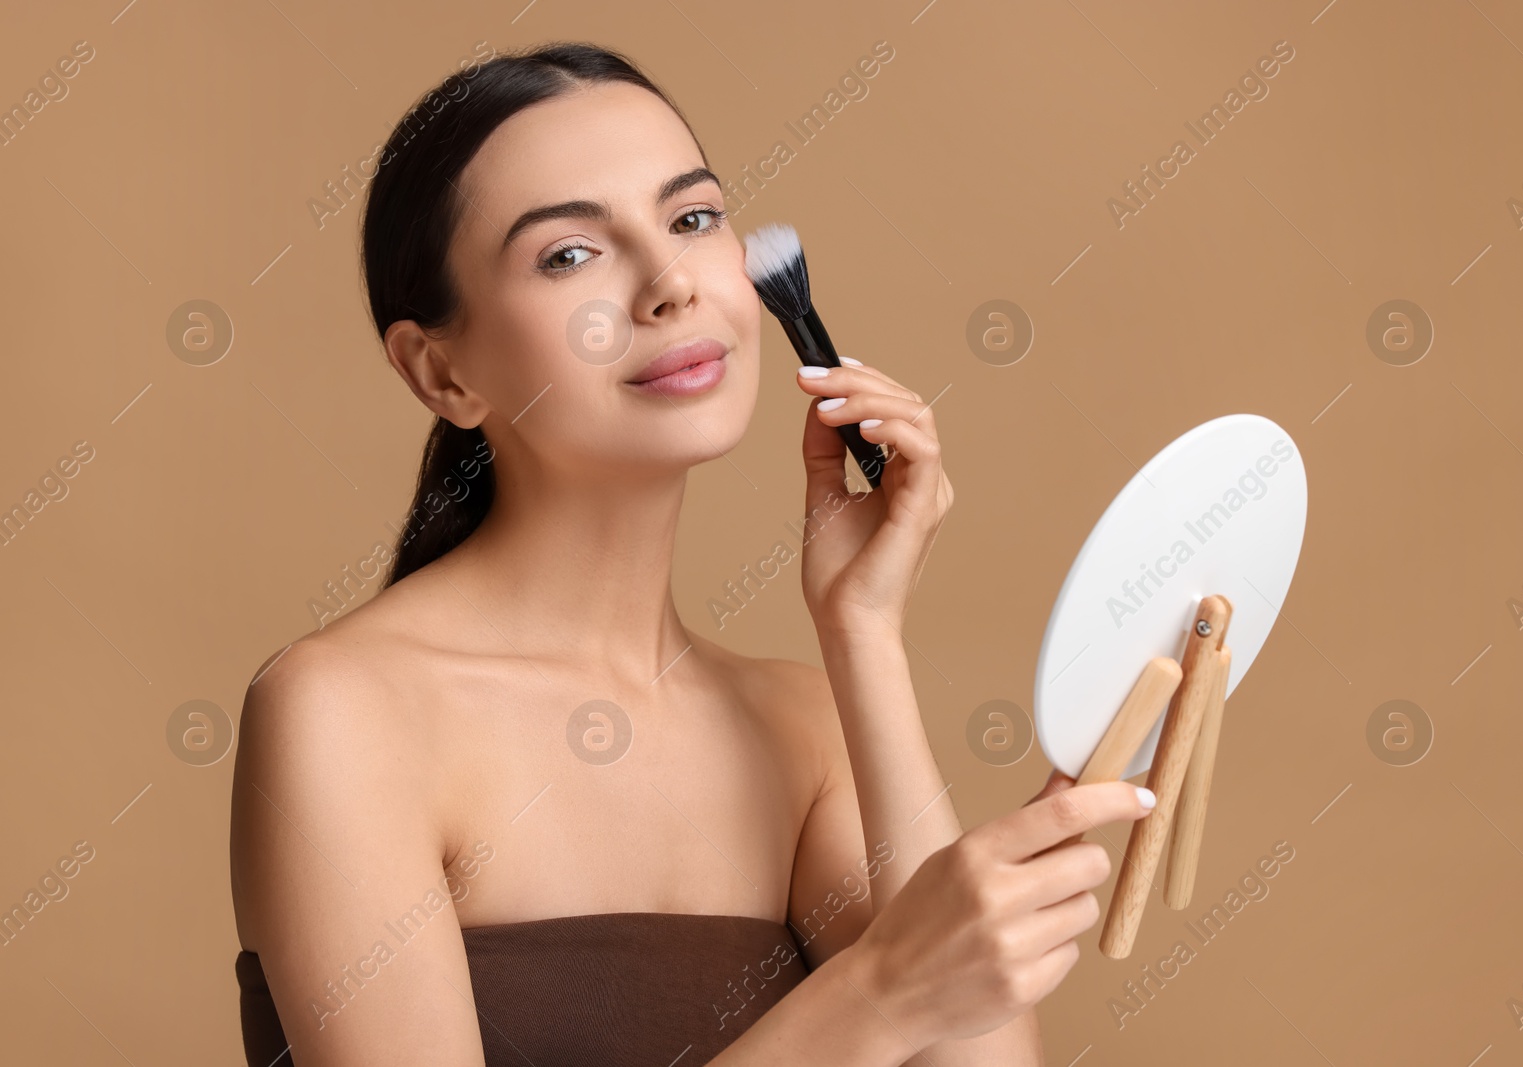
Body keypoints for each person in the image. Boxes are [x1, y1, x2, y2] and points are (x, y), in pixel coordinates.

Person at [228, 40, 1154, 1067]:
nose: (669, 282)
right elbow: (902, 1001)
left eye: (693, 218)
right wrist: (879, 993)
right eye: (569, 254)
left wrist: (864, 633)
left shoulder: (802, 730)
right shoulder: (342, 711)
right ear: (441, 373)